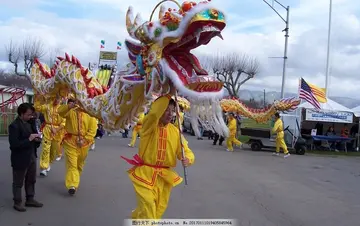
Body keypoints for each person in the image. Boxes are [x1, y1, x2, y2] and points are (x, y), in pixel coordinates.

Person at [121, 93, 195, 219]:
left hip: (165, 178)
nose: (169, 113)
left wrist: (188, 159)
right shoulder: (148, 126)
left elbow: (185, 150)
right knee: (149, 207)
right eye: (166, 110)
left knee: (157, 211)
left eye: (172, 110)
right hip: (145, 174)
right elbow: (154, 114)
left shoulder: (175, 132)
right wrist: (169, 92)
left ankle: (135, 219)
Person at [58, 99, 98, 195]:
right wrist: (69, 106)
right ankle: (72, 184)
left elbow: (93, 130)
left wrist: (85, 139)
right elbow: (60, 112)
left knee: (79, 164)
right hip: (70, 141)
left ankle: (74, 179)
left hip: (84, 143)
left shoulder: (90, 113)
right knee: (72, 164)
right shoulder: (70, 111)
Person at [8, 103, 43, 212]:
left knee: (31, 179)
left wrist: (37, 140)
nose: (30, 117)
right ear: (21, 114)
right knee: (18, 181)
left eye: (31, 114)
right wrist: (29, 139)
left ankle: (30, 199)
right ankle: (17, 202)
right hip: (20, 158)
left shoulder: (30, 123)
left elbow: (33, 139)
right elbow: (14, 145)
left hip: (31, 155)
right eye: (28, 114)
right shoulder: (14, 126)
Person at [34, 96, 66, 176]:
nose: (56, 100)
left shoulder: (62, 109)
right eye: (55, 98)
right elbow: (38, 108)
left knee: (54, 151)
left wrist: (57, 129)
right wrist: (38, 97)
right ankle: (44, 168)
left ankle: (48, 163)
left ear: (61, 99)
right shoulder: (47, 107)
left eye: (58, 98)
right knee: (46, 149)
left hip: (58, 132)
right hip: (47, 130)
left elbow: (64, 122)